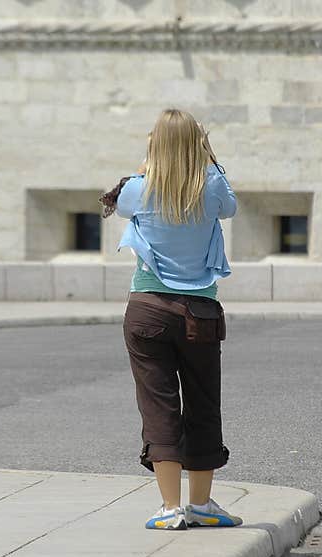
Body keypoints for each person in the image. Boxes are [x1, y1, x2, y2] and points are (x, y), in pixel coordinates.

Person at [114, 108, 241, 531]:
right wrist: (209, 157)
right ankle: (201, 505)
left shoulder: (137, 189)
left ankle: (170, 508)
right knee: (203, 402)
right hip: (199, 310)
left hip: (147, 306)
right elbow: (230, 208)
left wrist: (150, 160)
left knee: (159, 405)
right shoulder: (213, 187)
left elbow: (119, 202)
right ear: (197, 145)